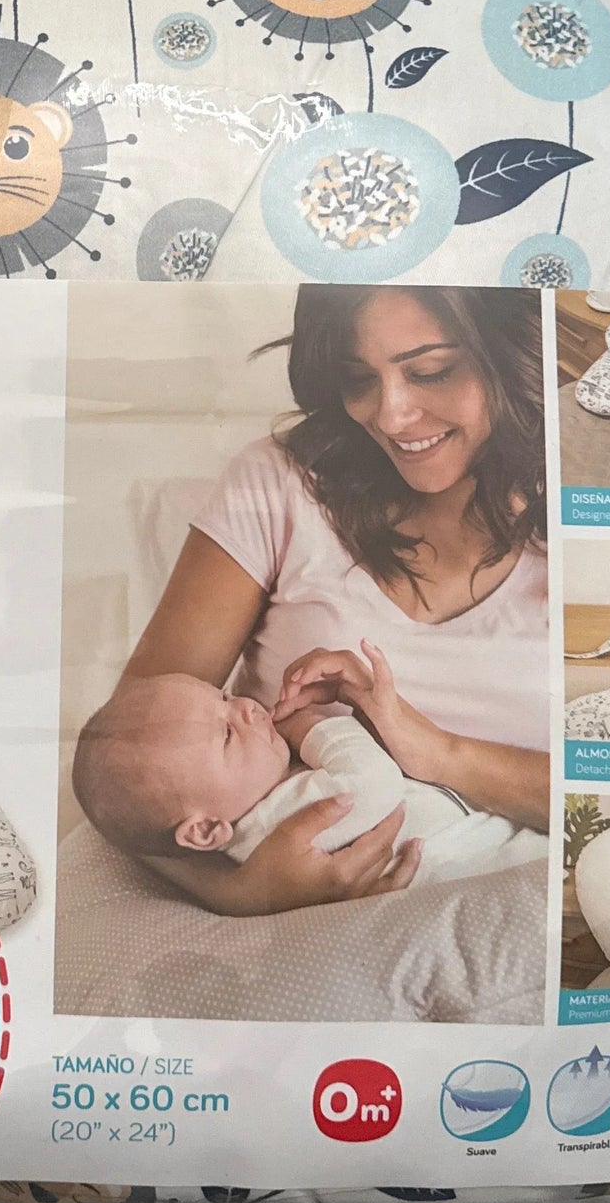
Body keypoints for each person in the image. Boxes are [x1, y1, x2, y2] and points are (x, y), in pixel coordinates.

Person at [110, 284, 552, 916]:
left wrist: (438, 752)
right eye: (358, 379)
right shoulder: (280, 484)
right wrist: (241, 890)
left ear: (513, 355)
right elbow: (127, 769)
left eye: (431, 371)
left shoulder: (592, 524)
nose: (390, 417)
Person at [73, 655, 544, 884]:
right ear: (205, 830)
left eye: (224, 697)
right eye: (227, 734)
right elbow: (370, 783)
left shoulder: (264, 800)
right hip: (494, 861)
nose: (246, 708)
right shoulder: (270, 829)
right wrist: (309, 727)